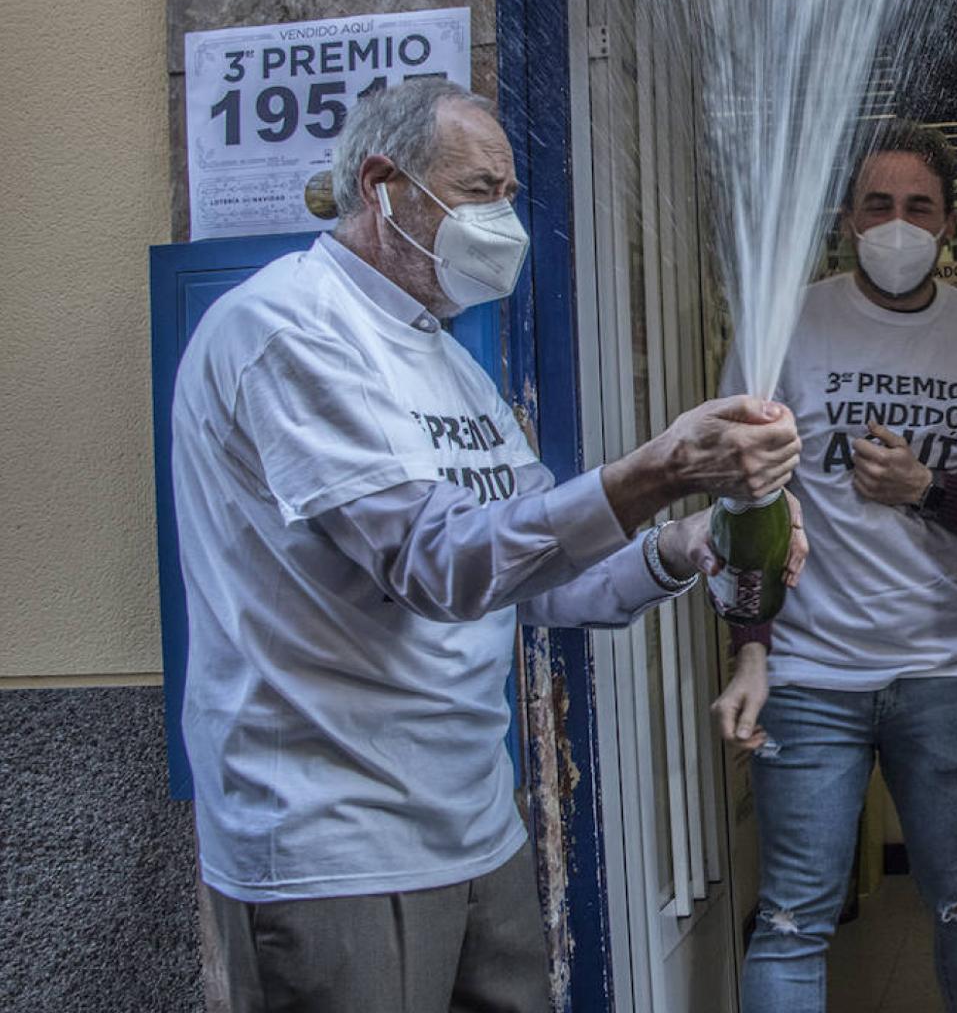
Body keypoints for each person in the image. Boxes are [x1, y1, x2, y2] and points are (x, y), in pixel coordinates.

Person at [172, 79, 805, 1013]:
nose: (505, 220)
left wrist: (684, 544)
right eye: (482, 191)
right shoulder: (285, 332)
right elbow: (439, 564)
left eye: (509, 195)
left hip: (474, 825)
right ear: (385, 186)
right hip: (331, 844)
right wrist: (659, 471)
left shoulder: (445, 360)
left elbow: (541, 578)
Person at [711, 120, 957, 1013]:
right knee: (791, 921)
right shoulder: (787, 323)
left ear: (949, 225)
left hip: (944, 669)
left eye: (918, 207)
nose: (897, 223)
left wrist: (929, 488)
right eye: (878, 204)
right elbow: (744, 501)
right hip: (807, 673)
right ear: (847, 218)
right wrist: (752, 651)